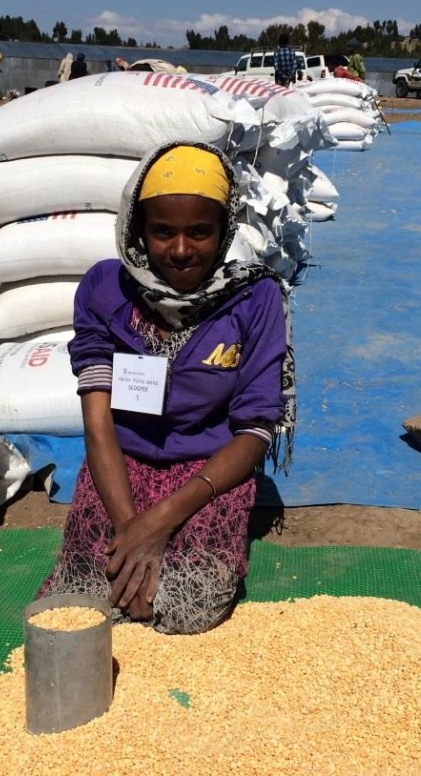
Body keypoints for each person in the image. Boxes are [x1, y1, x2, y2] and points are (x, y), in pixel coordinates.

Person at [39, 141, 296, 635]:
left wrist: (159, 524)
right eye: (162, 233)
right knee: (93, 596)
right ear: (139, 230)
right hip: (121, 467)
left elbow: (255, 428)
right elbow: (97, 421)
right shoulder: (104, 289)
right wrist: (128, 530)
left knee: (185, 606)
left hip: (206, 475)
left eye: (200, 232)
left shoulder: (255, 299)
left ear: (224, 231)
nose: (180, 251)